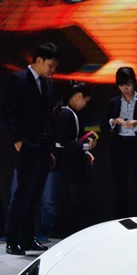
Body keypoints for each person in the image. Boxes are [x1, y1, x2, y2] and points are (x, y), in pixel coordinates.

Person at [0, 42, 60, 255]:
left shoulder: (47, 84)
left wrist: (50, 148)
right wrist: (17, 140)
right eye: (50, 66)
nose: (53, 71)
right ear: (39, 60)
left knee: (36, 193)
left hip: (43, 146)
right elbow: (7, 112)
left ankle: (28, 237)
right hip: (25, 144)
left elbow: (48, 117)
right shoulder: (18, 79)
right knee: (22, 192)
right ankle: (12, 238)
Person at [101, 66, 137, 218]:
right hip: (119, 146)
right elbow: (103, 126)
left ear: (134, 83)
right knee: (119, 186)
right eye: (122, 85)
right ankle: (120, 219)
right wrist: (113, 121)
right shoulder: (113, 102)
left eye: (129, 85)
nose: (126, 89)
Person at [53, 80, 96, 238]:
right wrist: (85, 147)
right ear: (78, 96)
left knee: (76, 204)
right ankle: (71, 236)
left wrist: (84, 149)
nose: (85, 105)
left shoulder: (68, 113)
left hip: (73, 166)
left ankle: (72, 235)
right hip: (72, 168)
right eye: (85, 101)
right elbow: (64, 142)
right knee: (75, 204)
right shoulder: (67, 114)